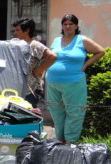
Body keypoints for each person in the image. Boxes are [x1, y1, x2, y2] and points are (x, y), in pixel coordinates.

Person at [45, 14, 105, 144]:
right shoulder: (56, 41)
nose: (67, 26)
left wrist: (85, 65)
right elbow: (49, 58)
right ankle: (60, 139)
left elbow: (100, 51)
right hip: (52, 82)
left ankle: (70, 141)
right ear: (62, 26)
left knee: (74, 111)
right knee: (56, 111)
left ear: (76, 26)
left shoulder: (81, 40)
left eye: (71, 24)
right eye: (65, 24)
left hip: (74, 82)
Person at [12, 18, 58, 107]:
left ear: (27, 30)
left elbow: (52, 56)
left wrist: (39, 70)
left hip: (31, 88)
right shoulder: (16, 44)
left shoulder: (34, 45)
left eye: (18, 30)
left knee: (27, 113)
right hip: (18, 87)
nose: (15, 33)